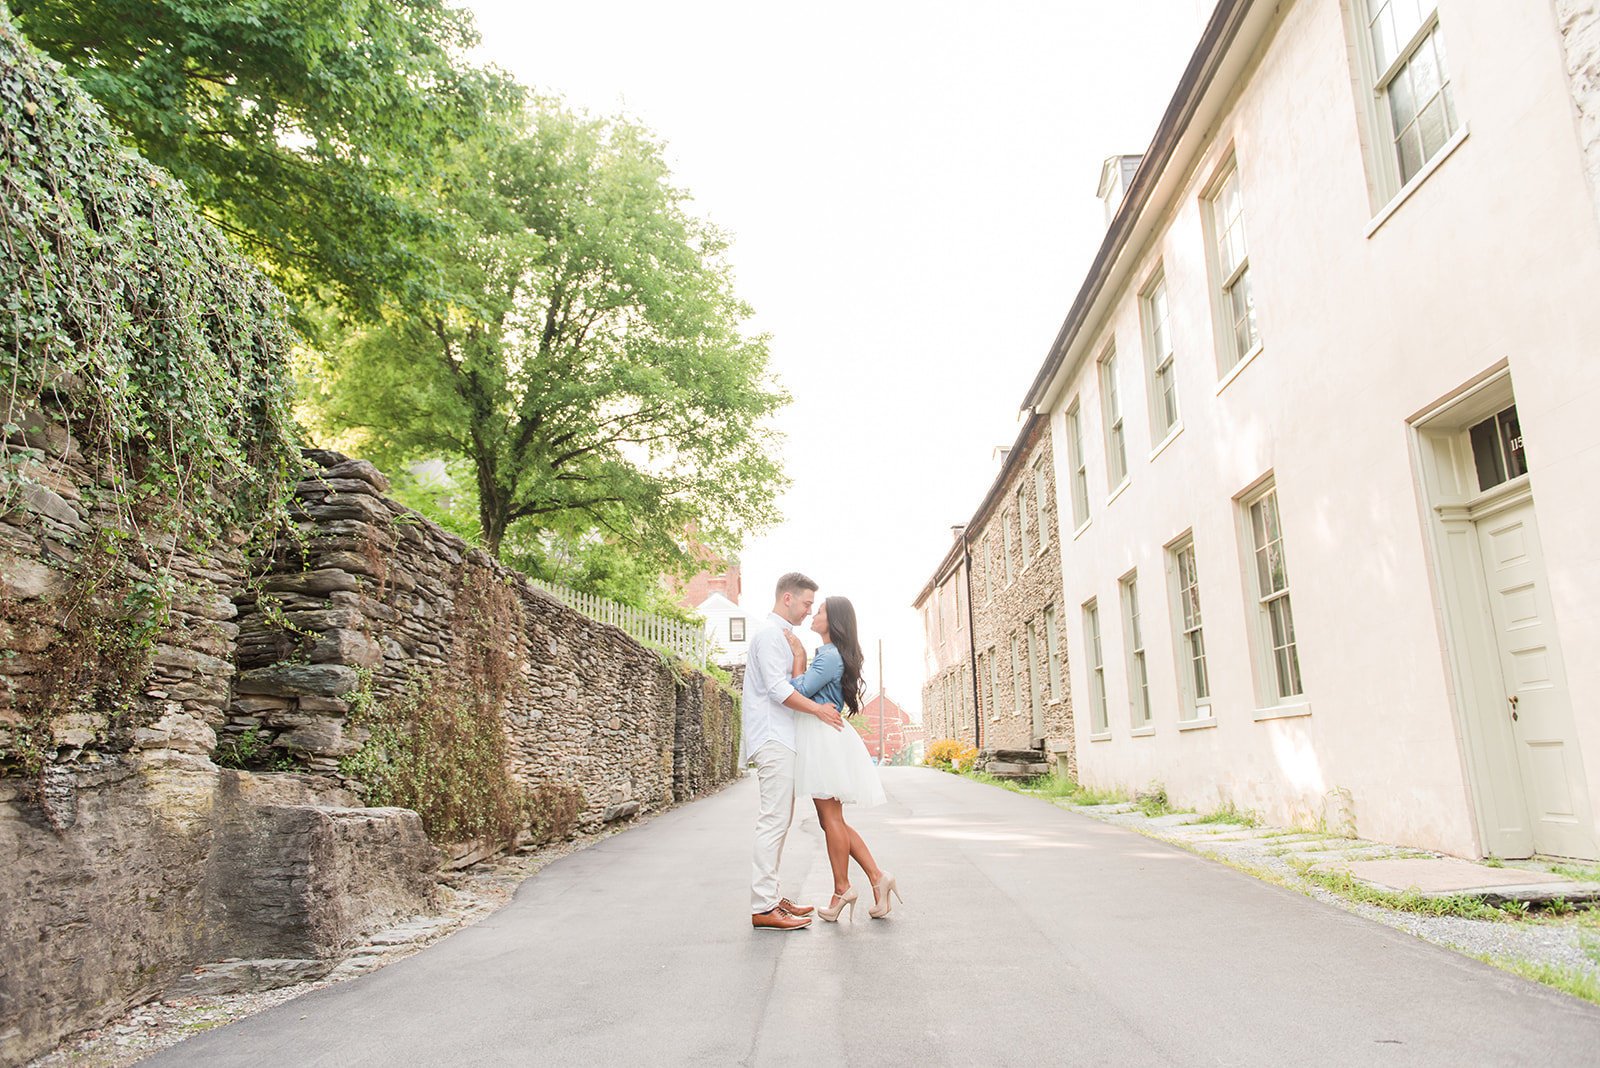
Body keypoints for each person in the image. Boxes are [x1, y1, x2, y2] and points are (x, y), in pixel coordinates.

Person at [786, 595, 901, 922]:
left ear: (832, 621)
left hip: (823, 738)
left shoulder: (829, 657)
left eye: (819, 610)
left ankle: (842, 889)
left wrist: (798, 655)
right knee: (830, 819)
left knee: (831, 819)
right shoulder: (831, 655)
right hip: (823, 736)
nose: (814, 613)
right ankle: (877, 878)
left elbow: (797, 690)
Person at [742, 572, 844, 931]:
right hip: (772, 737)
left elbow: (791, 683)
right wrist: (818, 710)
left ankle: (771, 896)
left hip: (781, 736)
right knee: (773, 820)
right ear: (788, 598)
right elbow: (775, 689)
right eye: (806, 603)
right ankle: (763, 906)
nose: (808, 611)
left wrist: (799, 654)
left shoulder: (781, 637)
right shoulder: (771, 635)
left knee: (778, 820)